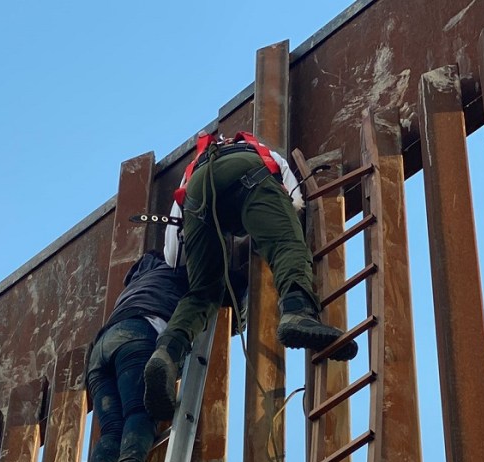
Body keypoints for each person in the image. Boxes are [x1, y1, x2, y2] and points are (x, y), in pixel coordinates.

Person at [146, 131, 357, 421]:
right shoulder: (263, 152)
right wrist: (263, 229)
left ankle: (167, 353)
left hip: (197, 200)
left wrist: (205, 261)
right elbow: (294, 203)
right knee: (286, 244)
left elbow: (173, 255)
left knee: (203, 292)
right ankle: (298, 311)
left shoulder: (193, 169)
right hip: (251, 177)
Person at [72, 250, 188, 462]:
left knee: (111, 429)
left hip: (101, 350)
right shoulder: (179, 271)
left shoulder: (141, 278)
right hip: (139, 334)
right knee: (141, 409)